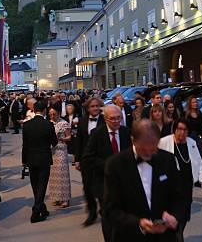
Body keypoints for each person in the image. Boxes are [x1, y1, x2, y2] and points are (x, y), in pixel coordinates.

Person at [103, 119, 185, 242]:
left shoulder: (167, 160)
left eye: (153, 149)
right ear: (133, 140)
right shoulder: (116, 165)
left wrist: (174, 216)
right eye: (143, 149)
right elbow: (110, 210)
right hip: (129, 236)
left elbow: (179, 197)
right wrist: (139, 224)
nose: (148, 154)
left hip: (164, 236)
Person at [82, 104, 132, 241]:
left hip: (124, 183)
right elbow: (87, 157)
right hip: (103, 183)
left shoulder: (126, 132)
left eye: (118, 118)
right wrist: (109, 166)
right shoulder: (97, 134)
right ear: (105, 119)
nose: (116, 121)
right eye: (113, 119)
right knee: (108, 215)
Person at [158, 118, 202, 240]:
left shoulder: (191, 143)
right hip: (170, 189)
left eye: (185, 130)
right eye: (179, 129)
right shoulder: (164, 142)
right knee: (175, 222)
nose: (182, 132)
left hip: (186, 187)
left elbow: (198, 162)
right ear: (174, 129)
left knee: (183, 218)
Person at [22, 101, 58, 223]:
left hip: (31, 158)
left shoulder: (26, 125)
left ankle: (41, 207)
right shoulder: (48, 124)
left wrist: (24, 161)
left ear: (33, 110)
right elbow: (55, 142)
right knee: (42, 185)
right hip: (44, 158)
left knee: (35, 184)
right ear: (44, 111)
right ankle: (36, 211)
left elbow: (24, 145)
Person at [74, 97, 104, 226]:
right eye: (92, 106)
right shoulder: (82, 121)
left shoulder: (105, 120)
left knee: (103, 187)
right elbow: (79, 141)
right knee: (88, 188)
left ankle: (105, 211)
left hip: (102, 160)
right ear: (88, 108)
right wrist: (77, 160)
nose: (95, 108)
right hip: (86, 160)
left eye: (97, 106)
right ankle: (92, 213)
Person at [48, 108, 71, 209]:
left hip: (61, 150)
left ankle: (65, 198)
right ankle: (56, 197)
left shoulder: (64, 123)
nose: (52, 116)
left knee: (62, 174)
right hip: (51, 152)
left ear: (58, 113)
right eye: (50, 114)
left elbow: (69, 137)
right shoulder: (48, 123)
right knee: (53, 175)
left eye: (54, 114)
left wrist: (61, 139)